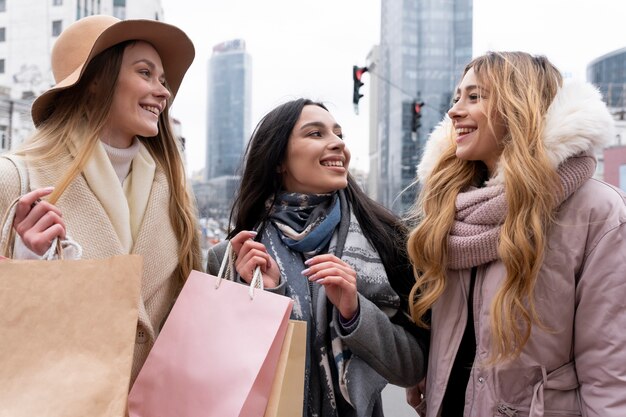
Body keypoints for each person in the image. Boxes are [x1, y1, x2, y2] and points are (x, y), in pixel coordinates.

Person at [406, 51, 626, 416]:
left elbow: (610, 365)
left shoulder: (597, 211)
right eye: (457, 97)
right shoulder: (452, 207)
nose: (454, 111)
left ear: (518, 106)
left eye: (474, 97)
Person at [0, 15, 202, 384]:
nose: (163, 92)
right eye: (145, 73)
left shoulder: (175, 196)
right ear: (94, 81)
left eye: (163, 80)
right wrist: (27, 266)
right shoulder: (15, 178)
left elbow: (187, 320)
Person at [206, 98, 427, 417]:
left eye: (339, 134)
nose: (337, 143)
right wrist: (263, 297)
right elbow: (216, 370)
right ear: (279, 159)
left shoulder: (383, 242)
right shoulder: (232, 257)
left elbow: (411, 368)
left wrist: (355, 312)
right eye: (316, 134)